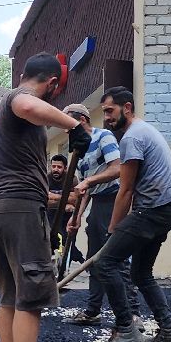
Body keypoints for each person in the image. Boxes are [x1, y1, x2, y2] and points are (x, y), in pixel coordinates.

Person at [0, 53, 90, 342]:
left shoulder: (4, 114)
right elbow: (28, 105)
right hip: (18, 209)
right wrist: (74, 127)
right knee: (31, 295)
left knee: (10, 295)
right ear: (53, 83)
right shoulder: (18, 98)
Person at [91, 87, 171, 342]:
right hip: (165, 211)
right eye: (104, 113)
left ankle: (126, 331)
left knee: (105, 263)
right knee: (141, 273)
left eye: (110, 111)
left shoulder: (132, 138)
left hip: (150, 212)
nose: (107, 118)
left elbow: (125, 190)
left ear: (127, 107)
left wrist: (112, 230)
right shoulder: (145, 131)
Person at [62, 102, 137, 327]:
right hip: (97, 202)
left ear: (82, 120)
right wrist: (76, 216)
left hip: (115, 200)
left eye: (67, 123)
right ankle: (93, 311)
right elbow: (85, 189)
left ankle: (133, 314)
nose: (65, 130)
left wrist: (89, 181)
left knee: (117, 258)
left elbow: (117, 168)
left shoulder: (103, 136)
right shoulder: (79, 149)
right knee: (93, 259)